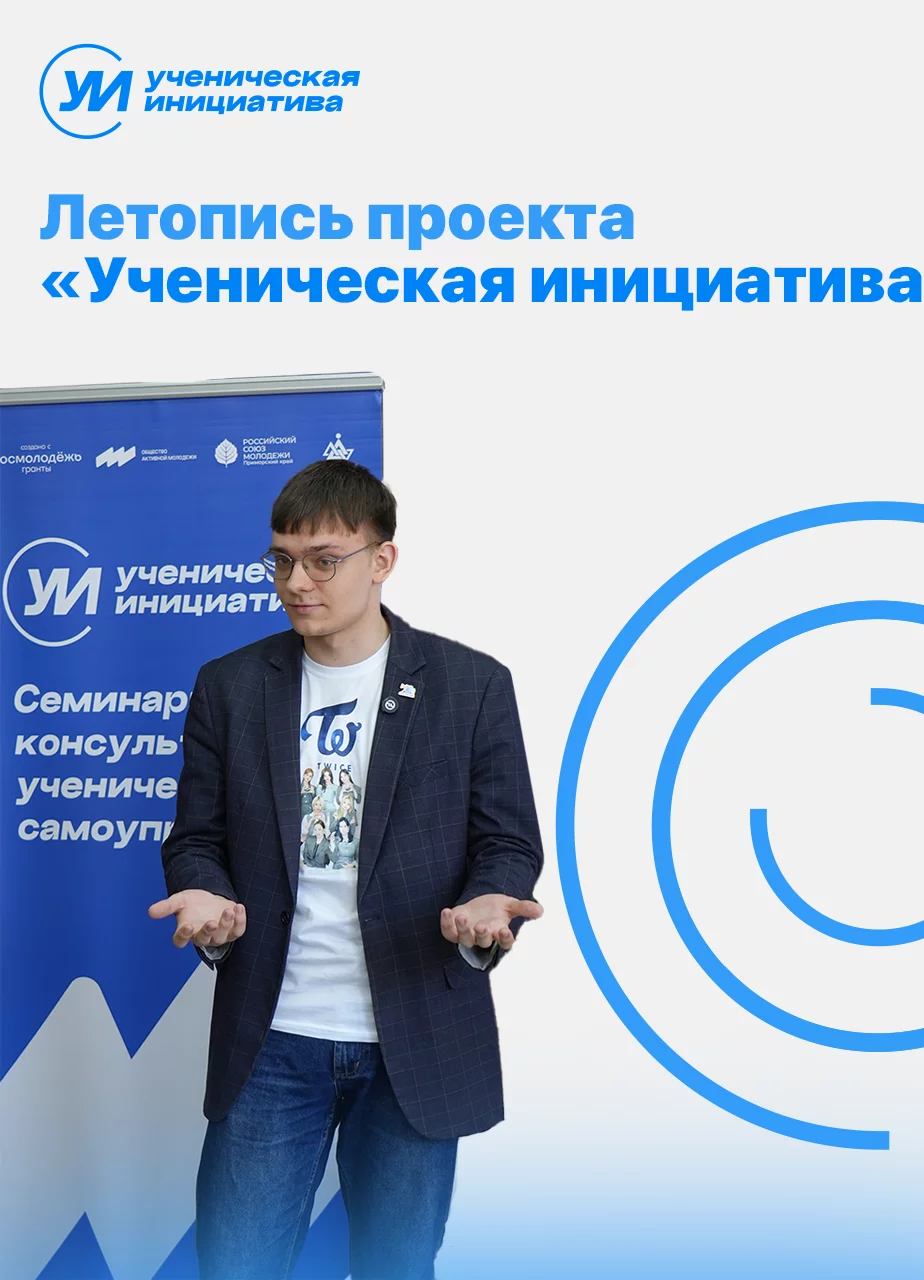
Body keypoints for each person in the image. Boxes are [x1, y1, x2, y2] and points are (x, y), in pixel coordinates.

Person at [148, 458, 543, 1280]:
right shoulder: (229, 687)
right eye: (282, 560)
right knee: (237, 1265)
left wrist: (486, 902)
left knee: (397, 1267)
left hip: (416, 1036)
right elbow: (196, 839)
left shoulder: (470, 686)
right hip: (271, 1038)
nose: (297, 583)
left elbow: (507, 843)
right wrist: (206, 892)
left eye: (324, 560)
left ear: (382, 559)